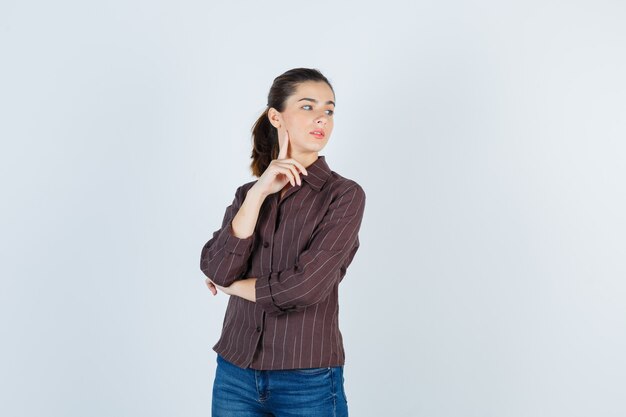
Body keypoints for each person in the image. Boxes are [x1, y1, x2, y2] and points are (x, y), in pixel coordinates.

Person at [200, 67, 366, 417]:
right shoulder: (248, 194)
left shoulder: (343, 196)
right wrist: (259, 192)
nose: (321, 118)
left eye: (329, 110)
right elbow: (216, 266)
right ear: (276, 116)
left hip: (308, 376)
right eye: (308, 107)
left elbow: (305, 287)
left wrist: (231, 288)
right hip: (235, 372)